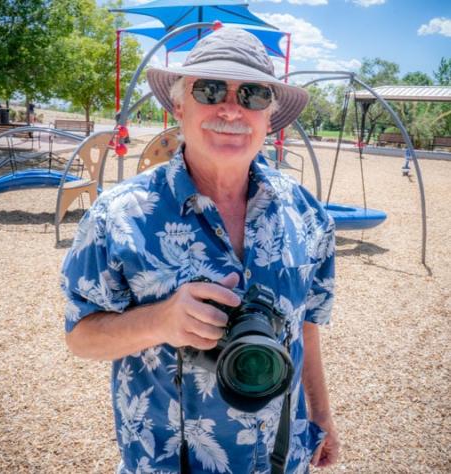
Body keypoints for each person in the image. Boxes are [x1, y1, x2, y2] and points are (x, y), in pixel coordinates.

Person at [61, 27, 339, 474]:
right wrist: (160, 320)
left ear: (268, 117)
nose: (230, 108)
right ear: (179, 105)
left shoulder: (307, 214)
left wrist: (322, 416)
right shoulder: (118, 216)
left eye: (252, 94)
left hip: (280, 460)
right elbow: (80, 336)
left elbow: (306, 326)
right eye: (209, 89)